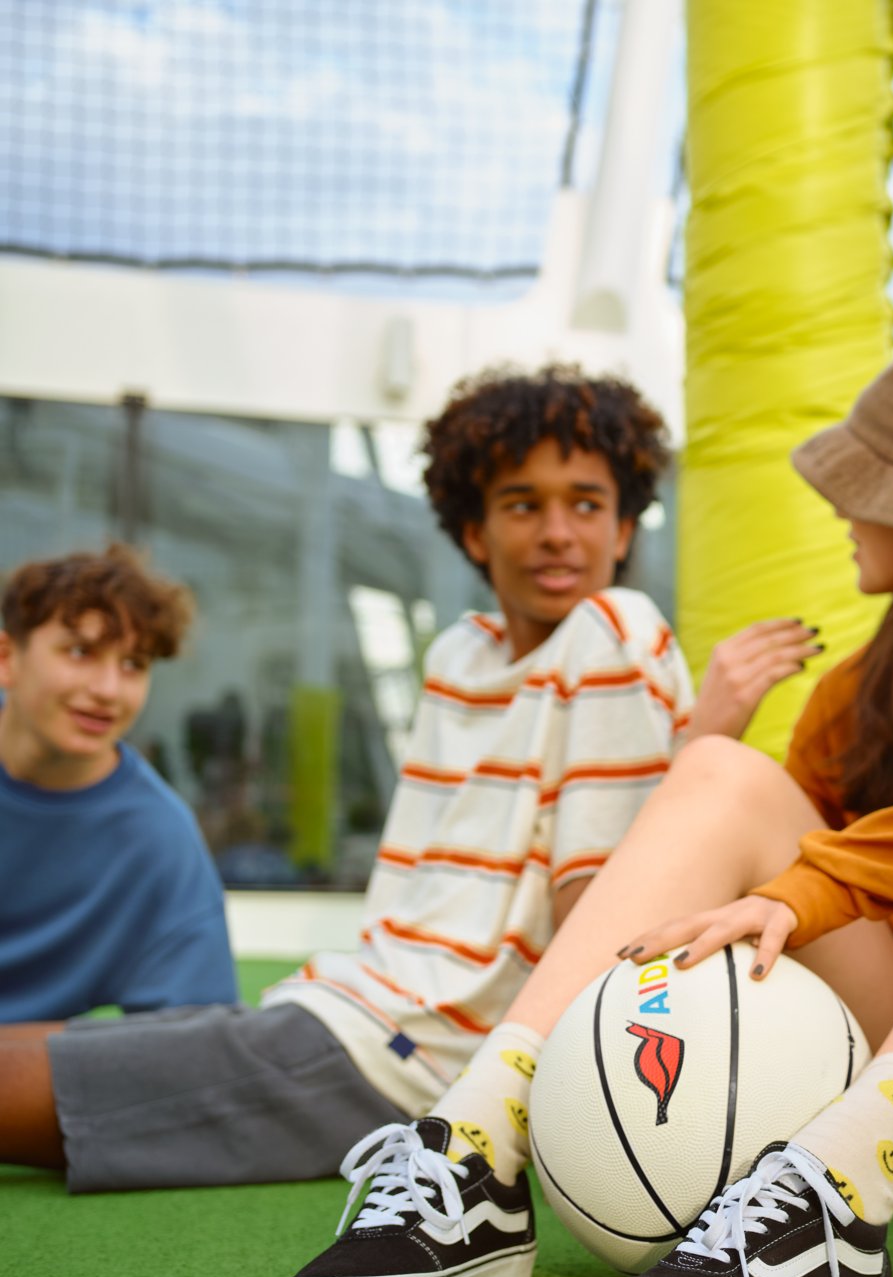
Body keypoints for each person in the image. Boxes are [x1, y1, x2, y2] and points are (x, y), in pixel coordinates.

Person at [280, 344, 893, 1277]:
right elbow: (740, 872)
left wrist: (824, 882)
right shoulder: (859, 689)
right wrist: (747, 819)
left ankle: (839, 1211)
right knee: (723, 772)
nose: (840, 509)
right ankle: (480, 1145)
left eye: (863, 486)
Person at [0, 364, 813, 1199]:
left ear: (622, 532)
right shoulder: (464, 657)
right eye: (523, 505)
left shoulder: (613, 630)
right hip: (352, 1007)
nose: (558, 533)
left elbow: (603, 928)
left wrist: (702, 739)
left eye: (587, 504)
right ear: (474, 532)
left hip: (413, 1059)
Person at [0, 544, 235, 1024]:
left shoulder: (159, 842)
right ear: (6, 659)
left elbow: (194, 1046)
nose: (109, 689)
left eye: (134, 664)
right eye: (81, 652)